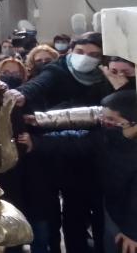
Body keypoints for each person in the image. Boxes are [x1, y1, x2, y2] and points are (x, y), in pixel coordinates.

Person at [10, 32, 111, 253]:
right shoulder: (58, 70)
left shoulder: (107, 77)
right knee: (73, 211)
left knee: (101, 213)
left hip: (98, 151)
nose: (86, 58)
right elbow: (38, 84)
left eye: (94, 55)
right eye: (80, 52)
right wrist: (21, 94)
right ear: (71, 51)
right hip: (62, 148)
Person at [20, 90, 137, 253]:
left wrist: (132, 231)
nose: (104, 122)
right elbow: (74, 142)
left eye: (111, 120)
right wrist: (37, 142)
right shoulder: (108, 136)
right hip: (112, 206)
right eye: (104, 117)